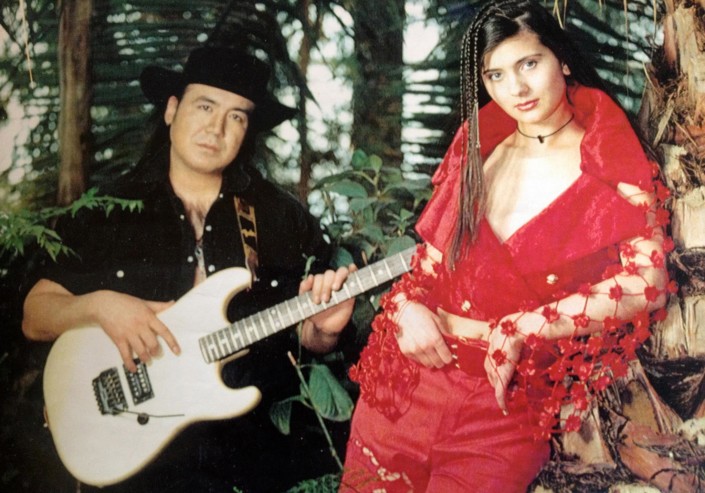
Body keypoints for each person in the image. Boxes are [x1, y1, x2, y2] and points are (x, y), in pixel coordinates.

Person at [340, 1, 673, 491]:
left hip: (504, 406)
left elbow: (649, 282)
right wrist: (406, 309)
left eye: (528, 64)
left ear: (562, 59)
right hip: (405, 388)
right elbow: (425, 272)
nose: (515, 88)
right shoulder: (479, 144)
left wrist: (526, 326)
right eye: (495, 75)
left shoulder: (609, 151)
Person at [22, 45, 356, 492]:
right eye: (204, 106)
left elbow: (307, 337)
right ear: (171, 110)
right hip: (136, 460)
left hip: (252, 459)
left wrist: (322, 332)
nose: (217, 128)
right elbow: (35, 314)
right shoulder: (107, 210)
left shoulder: (282, 216)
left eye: (236, 116)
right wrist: (101, 305)